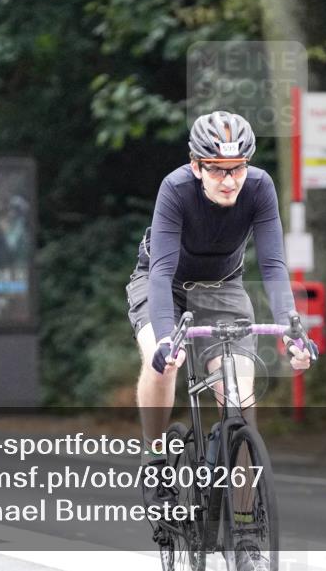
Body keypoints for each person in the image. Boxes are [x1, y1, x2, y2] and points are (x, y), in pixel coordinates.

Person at [126, 111, 313, 571]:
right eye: (217, 169)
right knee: (162, 361)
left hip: (226, 289)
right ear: (196, 166)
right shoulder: (175, 189)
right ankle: (156, 459)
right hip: (163, 285)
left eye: (238, 168)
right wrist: (168, 341)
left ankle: (246, 534)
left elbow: (271, 266)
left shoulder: (260, 187)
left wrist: (293, 327)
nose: (230, 180)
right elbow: (162, 271)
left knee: (240, 402)